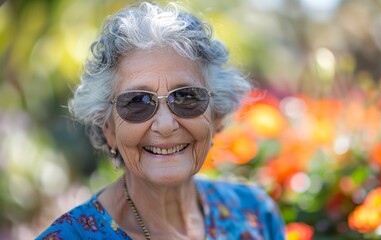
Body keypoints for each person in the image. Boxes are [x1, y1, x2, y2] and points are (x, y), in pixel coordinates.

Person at [36, 2, 285, 239]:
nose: (165, 125)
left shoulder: (256, 215)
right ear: (108, 128)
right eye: (137, 101)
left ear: (216, 115)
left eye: (187, 97)